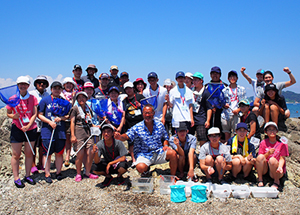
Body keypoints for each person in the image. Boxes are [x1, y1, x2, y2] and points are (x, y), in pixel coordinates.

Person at [114, 104, 178, 176]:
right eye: (145, 113)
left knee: (173, 153)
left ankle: (173, 177)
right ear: (142, 114)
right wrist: (120, 137)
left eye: (149, 113)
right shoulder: (137, 127)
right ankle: (146, 171)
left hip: (158, 152)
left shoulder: (160, 125)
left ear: (153, 113)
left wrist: (166, 145)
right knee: (140, 167)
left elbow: (165, 138)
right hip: (144, 154)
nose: (147, 115)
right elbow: (127, 136)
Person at [7, 76, 38, 188]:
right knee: (16, 154)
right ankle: (16, 177)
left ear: (28, 86)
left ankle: (28, 175)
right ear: (17, 85)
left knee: (29, 153)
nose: (23, 86)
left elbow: (35, 113)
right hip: (17, 127)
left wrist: (29, 124)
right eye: (20, 84)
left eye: (25, 84)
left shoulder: (33, 98)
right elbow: (8, 112)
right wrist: (13, 116)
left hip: (30, 128)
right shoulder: (13, 98)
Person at [38, 81, 71, 183]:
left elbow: (68, 115)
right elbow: (39, 114)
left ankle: (58, 172)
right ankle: (47, 173)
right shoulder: (45, 100)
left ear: (61, 90)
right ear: (51, 89)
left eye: (59, 88)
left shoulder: (64, 101)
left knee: (59, 152)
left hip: (60, 131)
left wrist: (61, 118)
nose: (57, 90)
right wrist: (49, 122)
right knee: (47, 153)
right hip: (47, 131)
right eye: (55, 88)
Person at [70, 91, 99, 182]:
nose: (81, 99)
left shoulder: (88, 108)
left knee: (90, 152)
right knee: (80, 154)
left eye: (83, 97)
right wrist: (72, 135)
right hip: (79, 132)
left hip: (88, 132)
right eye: (79, 97)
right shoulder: (75, 109)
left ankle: (87, 172)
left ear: (86, 99)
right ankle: (78, 173)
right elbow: (72, 122)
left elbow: (89, 121)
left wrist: (95, 126)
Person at [256, 122, 289, 190]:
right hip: (266, 169)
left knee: (272, 160)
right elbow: (260, 158)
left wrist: (280, 167)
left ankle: (276, 181)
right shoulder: (263, 142)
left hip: (276, 168)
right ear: (266, 132)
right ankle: (260, 179)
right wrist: (268, 153)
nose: (272, 131)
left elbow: (282, 158)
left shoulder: (282, 144)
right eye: (269, 129)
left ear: (277, 131)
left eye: (274, 129)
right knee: (260, 157)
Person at [29, 75, 50, 172]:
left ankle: (41, 163)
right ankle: (32, 165)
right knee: (32, 145)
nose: (41, 84)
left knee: (42, 145)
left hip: (44, 123)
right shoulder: (31, 94)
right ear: (35, 84)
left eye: (44, 83)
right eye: (39, 82)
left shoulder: (48, 95)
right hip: (33, 123)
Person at [122, 82, 144, 162]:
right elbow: (124, 114)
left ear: (133, 88)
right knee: (131, 143)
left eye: (130, 88)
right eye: (126, 89)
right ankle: (134, 160)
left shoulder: (140, 97)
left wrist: (141, 106)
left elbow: (148, 107)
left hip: (141, 123)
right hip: (130, 125)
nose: (128, 90)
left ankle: (142, 158)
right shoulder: (124, 101)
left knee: (142, 141)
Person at [221, 70, 246, 142]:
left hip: (237, 114)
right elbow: (221, 102)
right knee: (227, 133)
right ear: (228, 79)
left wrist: (239, 109)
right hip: (226, 114)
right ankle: (227, 150)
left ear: (237, 78)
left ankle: (235, 149)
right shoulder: (224, 90)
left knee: (236, 133)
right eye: (230, 77)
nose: (232, 78)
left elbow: (245, 102)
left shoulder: (242, 89)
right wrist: (224, 104)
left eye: (234, 76)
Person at [204, 66, 227, 140]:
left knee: (221, 129)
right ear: (210, 75)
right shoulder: (206, 86)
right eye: (213, 74)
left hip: (222, 111)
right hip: (209, 111)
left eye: (217, 73)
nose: (215, 75)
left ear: (220, 75)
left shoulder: (225, 86)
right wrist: (211, 107)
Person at [191, 72, 212, 146]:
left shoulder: (206, 92)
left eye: (196, 80)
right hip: (192, 118)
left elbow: (209, 108)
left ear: (201, 81)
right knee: (190, 137)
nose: (194, 82)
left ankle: (203, 155)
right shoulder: (191, 91)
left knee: (202, 138)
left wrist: (208, 120)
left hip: (201, 119)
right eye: (193, 80)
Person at [60, 77, 77, 167]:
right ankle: (60, 158)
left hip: (71, 119)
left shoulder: (75, 95)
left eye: (71, 84)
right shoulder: (61, 95)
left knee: (69, 138)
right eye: (67, 84)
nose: (69, 85)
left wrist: (74, 98)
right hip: (62, 118)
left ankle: (67, 157)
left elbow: (74, 107)